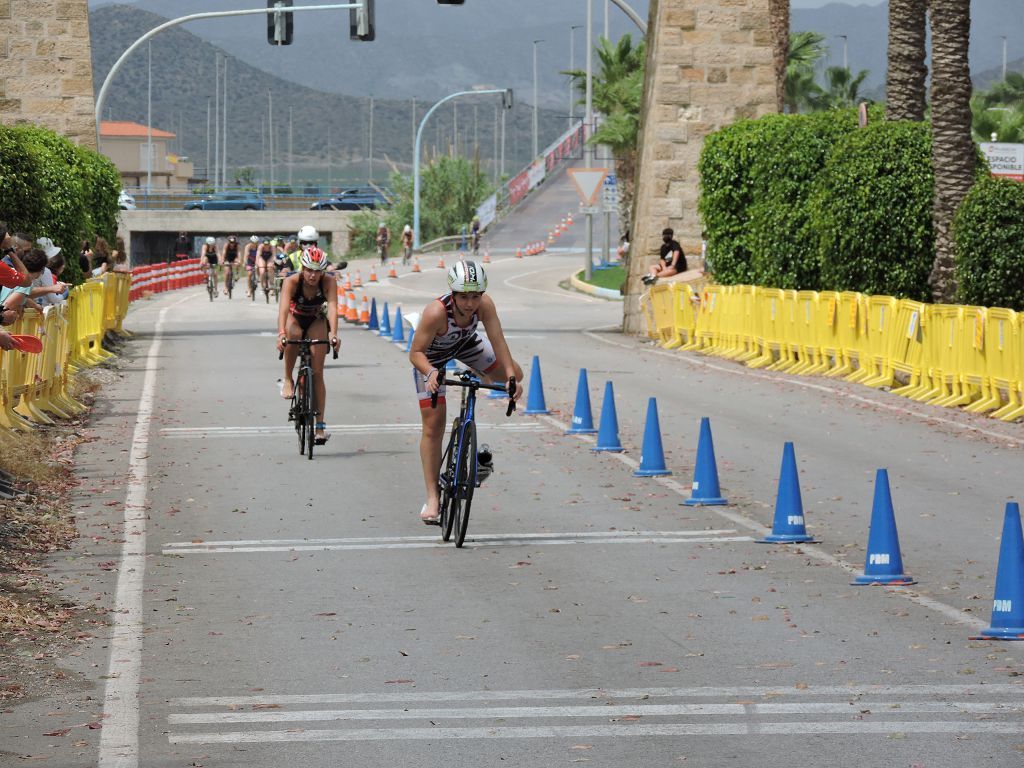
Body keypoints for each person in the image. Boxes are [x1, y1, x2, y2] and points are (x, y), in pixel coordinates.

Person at [408, 260, 523, 525]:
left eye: (475, 296)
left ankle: (477, 378)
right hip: (430, 358)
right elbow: (415, 353)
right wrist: (431, 373)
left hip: (464, 345)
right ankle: (432, 497)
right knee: (433, 425)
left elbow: (498, 340)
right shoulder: (435, 312)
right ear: (453, 293)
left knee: (516, 372)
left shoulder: (485, 305)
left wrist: (510, 377)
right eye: (464, 297)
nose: (470, 303)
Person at [276, 244, 340, 446]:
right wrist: (281, 334)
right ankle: (288, 378)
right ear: (303, 268)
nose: (313, 275)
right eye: (309, 270)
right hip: (295, 318)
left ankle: (320, 426)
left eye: (317, 271)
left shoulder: (329, 282)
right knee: (292, 336)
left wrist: (334, 335)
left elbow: (332, 308)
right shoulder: (291, 281)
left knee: (318, 372)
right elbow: (284, 309)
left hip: (315, 319)